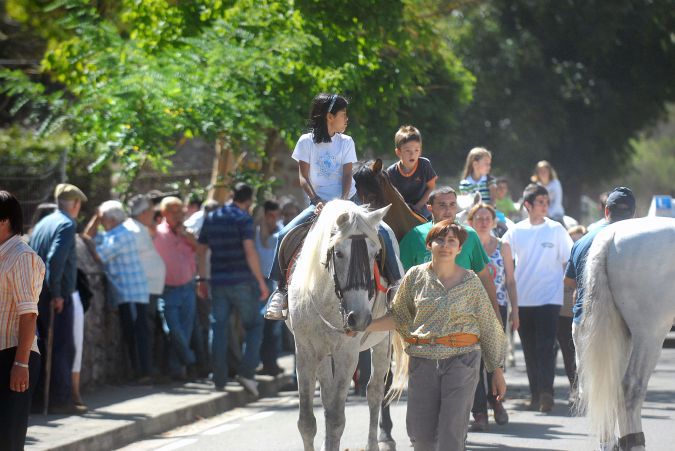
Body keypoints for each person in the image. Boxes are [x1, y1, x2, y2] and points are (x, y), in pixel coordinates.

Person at [364, 220, 506, 451]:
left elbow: (489, 327)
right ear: (429, 244)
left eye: (452, 241)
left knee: (451, 432)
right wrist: (365, 326)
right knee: (421, 437)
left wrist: (497, 372)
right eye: (440, 239)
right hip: (422, 361)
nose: (446, 245)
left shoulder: (471, 282)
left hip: (462, 360)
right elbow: (399, 317)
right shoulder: (415, 277)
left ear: (460, 249)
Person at [265, 93, 400, 320]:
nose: (346, 119)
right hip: (317, 203)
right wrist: (317, 201)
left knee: (383, 231)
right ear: (330, 116)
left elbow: (348, 175)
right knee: (284, 234)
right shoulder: (305, 142)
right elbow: (303, 178)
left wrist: (343, 200)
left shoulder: (346, 142)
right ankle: (281, 292)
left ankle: (396, 284)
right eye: (343, 115)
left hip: (348, 201)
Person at [501, 184, 573, 413]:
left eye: (546, 202)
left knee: (545, 347)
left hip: (550, 299)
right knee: (530, 350)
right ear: (528, 205)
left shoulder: (556, 229)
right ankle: (535, 395)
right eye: (540, 202)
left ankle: (546, 394)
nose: (545, 206)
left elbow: (568, 262)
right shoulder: (515, 232)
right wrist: (512, 302)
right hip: (523, 300)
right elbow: (506, 266)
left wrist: (569, 289)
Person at [196, 183, 269, 395]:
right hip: (243, 281)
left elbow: (200, 251)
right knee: (254, 325)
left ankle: (218, 379)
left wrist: (202, 279)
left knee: (218, 328)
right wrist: (261, 281)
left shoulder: (212, 217)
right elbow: (249, 251)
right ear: (249, 201)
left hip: (218, 281)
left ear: (231, 195)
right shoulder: (243, 218)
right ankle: (246, 373)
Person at [29, 183, 87, 414]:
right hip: (54, 294)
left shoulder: (43, 223)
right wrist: (58, 293)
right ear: (74, 204)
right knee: (62, 347)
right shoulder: (66, 224)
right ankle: (59, 400)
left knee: (41, 346)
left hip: (37, 291)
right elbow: (55, 260)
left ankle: (38, 399)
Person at [399, 186, 500, 316]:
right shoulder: (415, 236)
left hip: (464, 317)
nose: (448, 210)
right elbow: (401, 279)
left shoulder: (469, 235)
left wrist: (496, 314)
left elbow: (485, 276)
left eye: (452, 205)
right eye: (442, 205)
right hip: (425, 317)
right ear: (430, 208)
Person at [565, 187, 636, 366]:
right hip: (622, 325)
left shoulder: (581, 242)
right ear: (633, 214)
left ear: (606, 211)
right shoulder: (635, 244)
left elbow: (569, 281)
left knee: (585, 384)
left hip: (584, 319)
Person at [84, 201, 151, 381]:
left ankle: (142, 373)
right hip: (128, 293)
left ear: (112, 219)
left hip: (132, 293)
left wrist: (96, 222)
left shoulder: (122, 235)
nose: (102, 222)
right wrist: (96, 219)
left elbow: (98, 254)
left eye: (104, 219)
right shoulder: (113, 234)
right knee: (133, 333)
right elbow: (87, 237)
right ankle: (139, 373)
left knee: (136, 335)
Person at [466, 203, 519, 431]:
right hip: (470, 309)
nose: (484, 221)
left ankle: (496, 403)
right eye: (479, 217)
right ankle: (479, 412)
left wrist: (515, 310)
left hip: (498, 307)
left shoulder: (503, 246)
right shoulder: (465, 244)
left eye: (487, 217)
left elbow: (510, 281)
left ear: (494, 221)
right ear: (470, 221)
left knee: (495, 358)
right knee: (474, 360)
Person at [0, 191, 45, 451]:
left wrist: (20, 362)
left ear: (4, 220)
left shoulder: (21, 256)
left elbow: (28, 313)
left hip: (14, 356)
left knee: (8, 439)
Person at [153, 196, 199, 380]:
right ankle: (190, 360)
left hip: (188, 286)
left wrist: (186, 235)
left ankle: (177, 369)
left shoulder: (188, 232)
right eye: (174, 211)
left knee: (185, 330)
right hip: (167, 289)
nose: (178, 215)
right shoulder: (157, 233)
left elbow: (200, 248)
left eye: (181, 211)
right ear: (164, 213)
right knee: (172, 329)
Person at [125, 195, 167, 378]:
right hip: (143, 289)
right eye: (151, 210)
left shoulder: (140, 228)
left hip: (149, 289)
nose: (153, 214)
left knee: (151, 329)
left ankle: (149, 369)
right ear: (143, 213)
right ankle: (145, 371)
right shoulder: (133, 230)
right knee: (144, 330)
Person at [255, 201, 284, 376]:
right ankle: (265, 362)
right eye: (269, 216)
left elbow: (267, 243)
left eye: (276, 215)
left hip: (274, 284)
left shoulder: (281, 231)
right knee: (260, 327)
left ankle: (270, 362)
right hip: (258, 283)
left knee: (273, 328)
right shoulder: (254, 232)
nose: (273, 219)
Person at [384, 125, 437, 219]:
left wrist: (418, 206)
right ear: (398, 152)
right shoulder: (391, 172)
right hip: (401, 208)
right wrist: (404, 208)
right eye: (407, 150)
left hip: (423, 205)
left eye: (416, 150)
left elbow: (431, 187)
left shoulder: (425, 164)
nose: (412, 154)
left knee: (428, 219)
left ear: (420, 151)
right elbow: (391, 196)